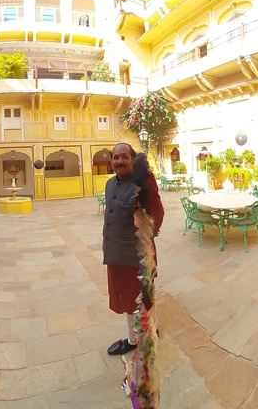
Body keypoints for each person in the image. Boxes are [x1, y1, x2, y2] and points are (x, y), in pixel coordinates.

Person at [102, 142, 164, 356]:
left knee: (143, 297)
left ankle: (150, 335)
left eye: (124, 156)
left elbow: (157, 213)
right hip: (115, 253)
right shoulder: (110, 184)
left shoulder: (141, 185)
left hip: (137, 255)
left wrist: (146, 243)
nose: (119, 161)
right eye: (115, 157)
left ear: (132, 159)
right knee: (126, 298)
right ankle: (132, 339)